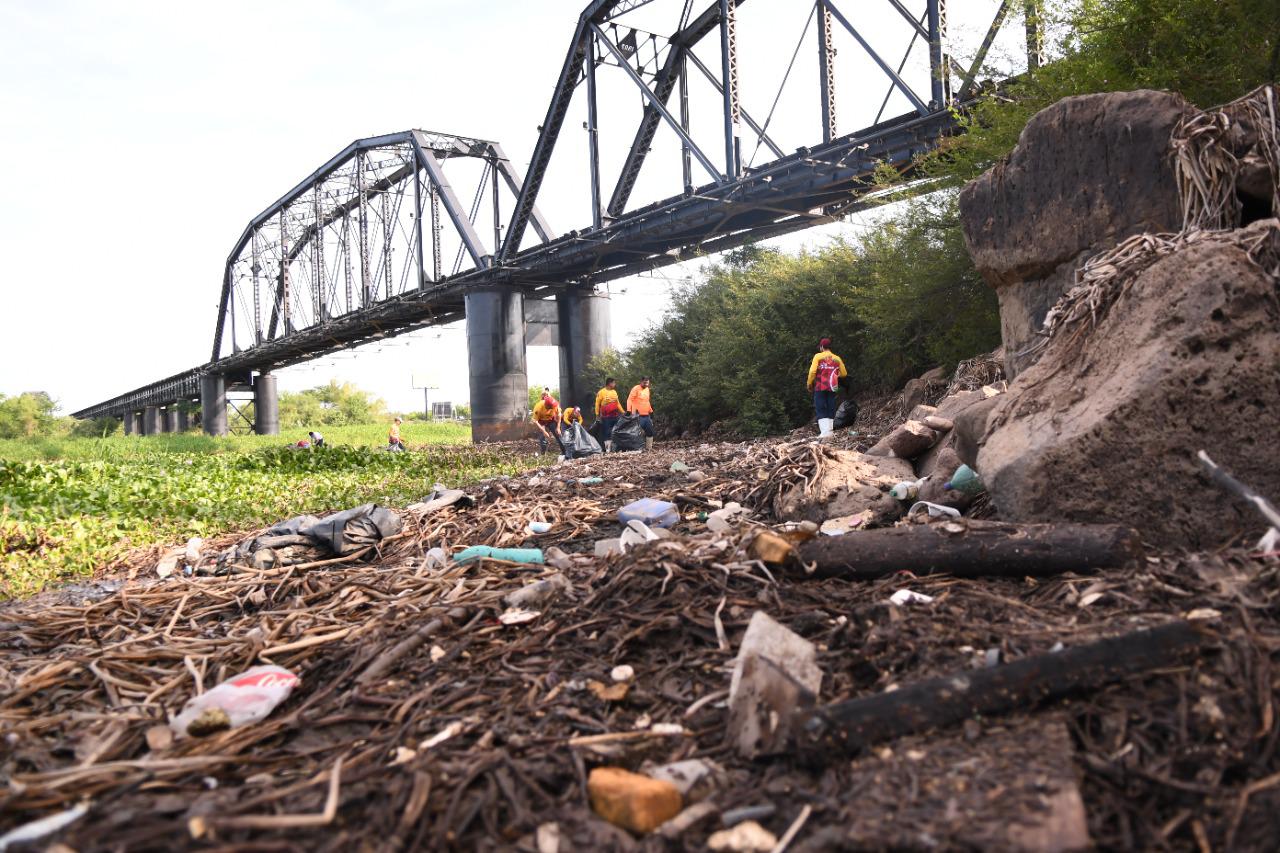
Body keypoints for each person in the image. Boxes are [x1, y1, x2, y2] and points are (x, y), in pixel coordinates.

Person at [806, 337, 847, 440]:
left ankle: (824, 433)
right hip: (832, 386)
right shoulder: (837, 358)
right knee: (831, 407)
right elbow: (844, 373)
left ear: (822, 347)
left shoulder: (818, 356)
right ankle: (829, 432)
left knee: (820, 407)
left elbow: (812, 372)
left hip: (820, 386)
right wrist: (834, 374)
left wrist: (809, 383)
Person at [627, 376, 655, 452]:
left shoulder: (647, 390)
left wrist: (651, 411)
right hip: (637, 415)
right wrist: (629, 410)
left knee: (650, 431)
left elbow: (647, 401)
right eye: (645, 382)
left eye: (648, 383)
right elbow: (630, 399)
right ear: (641, 381)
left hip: (646, 415)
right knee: (636, 432)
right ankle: (635, 449)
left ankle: (649, 449)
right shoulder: (636, 388)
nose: (646, 384)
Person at [594, 377, 622, 452]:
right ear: (610, 383)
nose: (615, 384)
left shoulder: (614, 392)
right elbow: (597, 404)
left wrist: (623, 412)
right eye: (614, 383)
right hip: (606, 417)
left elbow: (618, 403)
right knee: (607, 432)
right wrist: (597, 414)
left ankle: (615, 448)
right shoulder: (601, 392)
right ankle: (607, 450)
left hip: (615, 416)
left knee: (616, 431)